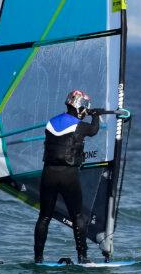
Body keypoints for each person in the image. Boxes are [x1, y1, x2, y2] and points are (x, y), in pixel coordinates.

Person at [33, 89, 102, 263]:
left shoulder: (50, 123)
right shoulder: (79, 126)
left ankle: (38, 258)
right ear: (80, 107)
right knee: (77, 216)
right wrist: (96, 116)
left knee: (44, 216)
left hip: (48, 174)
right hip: (68, 175)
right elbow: (93, 130)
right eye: (85, 108)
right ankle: (82, 257)